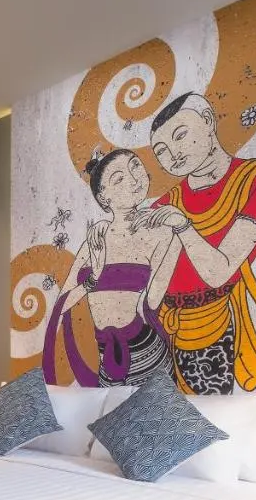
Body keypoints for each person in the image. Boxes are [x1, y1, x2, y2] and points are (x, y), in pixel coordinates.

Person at [136, 92, 256, 394]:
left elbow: (219, 271)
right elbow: (147, 291)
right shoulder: (164, 205)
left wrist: (183, 227)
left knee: (210, 414)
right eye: (161, 151)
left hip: (218, 329)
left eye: (180, 135)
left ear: (207, 120)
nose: (173, 154)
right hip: (165, 336)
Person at [42, 149, 173, 386]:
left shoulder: (160, 233)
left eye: (135, 166)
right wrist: (94, 277)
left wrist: (174, 232)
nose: (133, 179)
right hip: (106, 358)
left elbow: (153, 302)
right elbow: (62, 304)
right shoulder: (94, 240)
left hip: (146, 352)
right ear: (104, 198)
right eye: (119, 178)